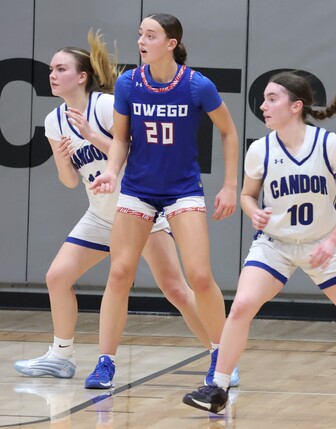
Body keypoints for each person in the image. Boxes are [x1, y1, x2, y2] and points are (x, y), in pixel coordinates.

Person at [182, 56, 336, 421]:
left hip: (322, 243)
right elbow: (247, 195)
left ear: (295, 106)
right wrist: (253, 211)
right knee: (241, 306)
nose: (263, 106)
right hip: (275, 246)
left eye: (272, 98)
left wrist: (333, 240)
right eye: (264, 99)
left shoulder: (329, 144)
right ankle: (217, 388)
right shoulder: (260, 149)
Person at [13, 30, 216, 385]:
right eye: (51, 70)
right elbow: (70, 181)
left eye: (60, 69)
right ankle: (61, 356)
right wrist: (62, 159)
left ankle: (220, 355)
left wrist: (93, 136)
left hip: (138, 209)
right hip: (100, 214)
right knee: (57, 277)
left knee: (175, 289)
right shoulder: (55, 121)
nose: (52, 75)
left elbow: (140, 154)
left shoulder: (105, 106)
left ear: (82, 76)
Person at [88, 13, 240, 390]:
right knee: (119, 273)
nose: (142, 41)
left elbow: (228, 131)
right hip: (138, 188)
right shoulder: (128, 83)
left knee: (199, 276)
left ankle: (221, 356)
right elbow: (121, 139)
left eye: (150, 35)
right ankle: (105, 362)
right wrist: (111, 171)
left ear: (171, 44)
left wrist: (230, 185)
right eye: (140, 34)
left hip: (182, 190)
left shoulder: (197, 85)